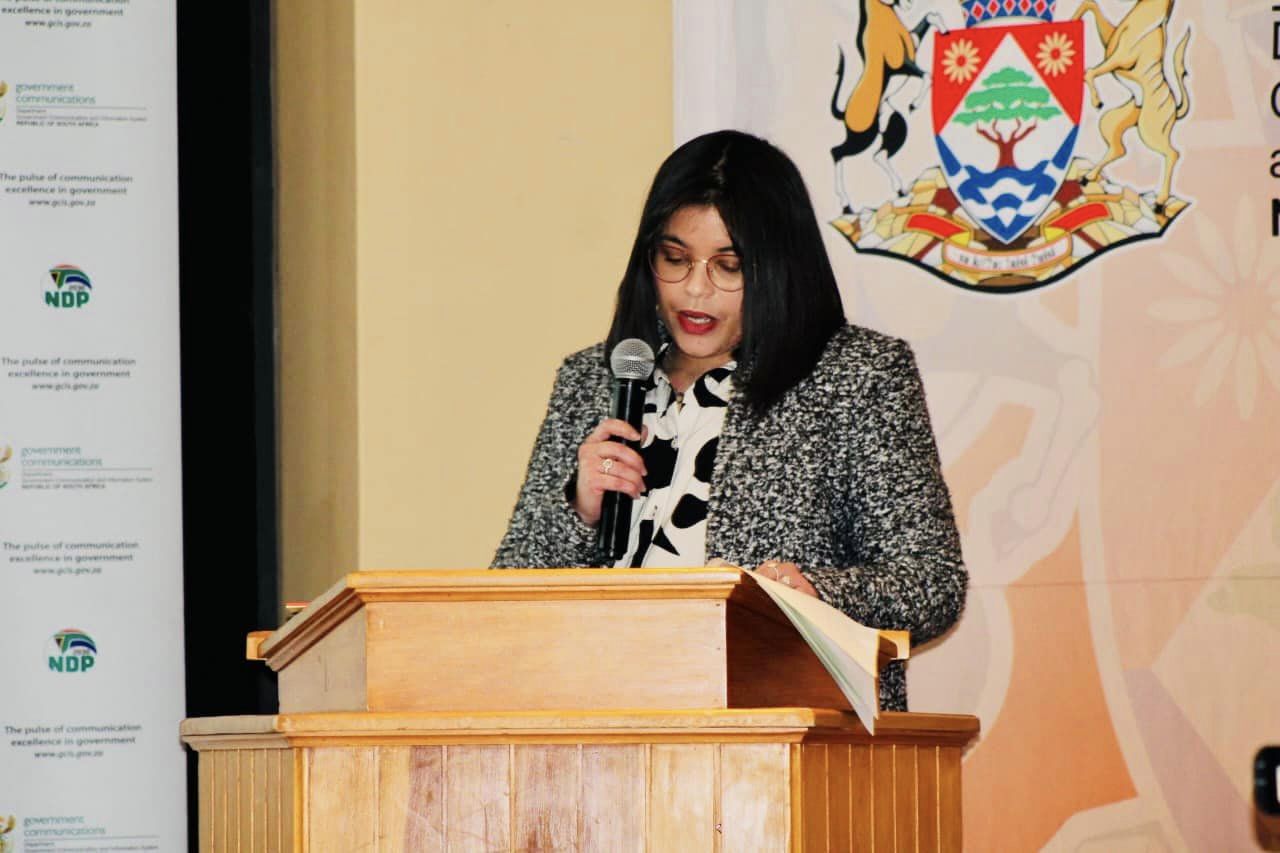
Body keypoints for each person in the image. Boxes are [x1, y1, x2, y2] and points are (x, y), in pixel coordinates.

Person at [492, 130, 965, 711]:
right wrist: (577, 510)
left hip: (781, 734)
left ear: (779, 267)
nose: (696, 289)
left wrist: (816, 594)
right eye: (675, 259)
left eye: (729, 266)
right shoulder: (592, 379)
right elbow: (505, 597)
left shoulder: (858, 375)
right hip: (600, 725)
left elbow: (933, 582)